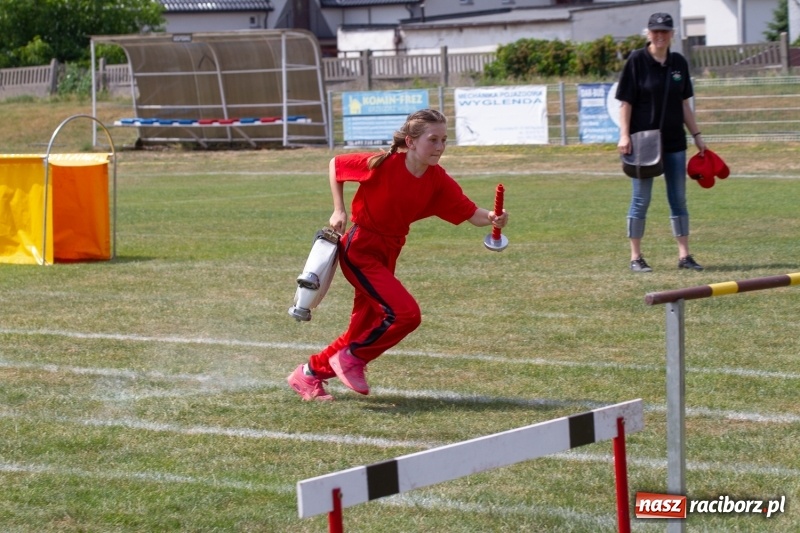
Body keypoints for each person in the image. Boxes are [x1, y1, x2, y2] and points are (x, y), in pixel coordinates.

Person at [287, 108, 509, 401]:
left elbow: (472, 214)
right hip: (361, 249)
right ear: (411, 141)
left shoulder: (437, 180)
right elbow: (336, 165)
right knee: (406, 314)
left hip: (388, 253)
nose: (440, 147)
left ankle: (308, 375)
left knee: (364, 327)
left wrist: (493, 217)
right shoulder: (382, 163)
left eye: (444, 140)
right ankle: (352, 358)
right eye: (433, 139)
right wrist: (338, 208)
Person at [616, 12, 707, 273]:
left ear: (672, 34)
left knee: (678, 199)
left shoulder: (679, 62)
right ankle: (635, 257)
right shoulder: (636, 60)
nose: (660, 35)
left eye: (665, 31)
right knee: (640, 199)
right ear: (648, 33)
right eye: (655, 31)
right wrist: (624, 135)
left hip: (675, 142)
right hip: (642, 144)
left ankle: (685, 256)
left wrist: (697, 136)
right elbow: (626, 102)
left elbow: (684, 104)